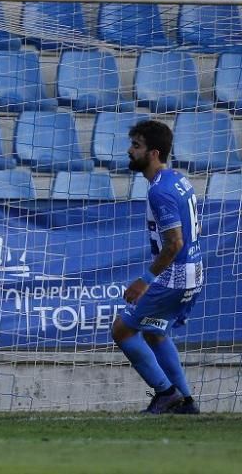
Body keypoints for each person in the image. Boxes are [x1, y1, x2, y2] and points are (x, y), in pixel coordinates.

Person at [112, 119, 203, 414]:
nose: (130, 151)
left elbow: (174, 244)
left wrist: (145, 280)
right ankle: (186, 402)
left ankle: (166, 393)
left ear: (153, 153)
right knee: (153, 332)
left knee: (122, 331)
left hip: (175, 276)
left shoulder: (159, 191)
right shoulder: (177, 178)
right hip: (193, 272)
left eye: (136, 146)